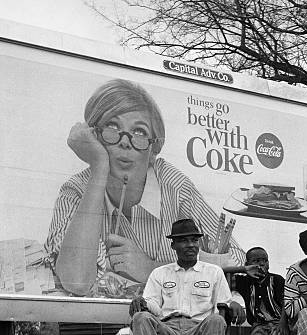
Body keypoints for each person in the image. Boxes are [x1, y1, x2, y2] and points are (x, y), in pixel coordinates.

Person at [45, 79, 244, 298]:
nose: (125, 142)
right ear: (95, 136)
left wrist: (152, 269)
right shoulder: (75, 190)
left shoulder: (175, 187)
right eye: (112, 127)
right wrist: (100, 166)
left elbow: (238, 261)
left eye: (139, 132)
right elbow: (77, 282)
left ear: (154, 148)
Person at [128, 218, 246, 335]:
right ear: (173, 245)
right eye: (184, 240)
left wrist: (234, 303)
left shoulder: (213, 272)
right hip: (168, 328)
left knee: (217, 319)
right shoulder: (160, 273)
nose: (190, 245)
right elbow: (154, 306)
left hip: (198, 328)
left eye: (194, 240)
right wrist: (143, 302)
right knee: (140, 318)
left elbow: (222, 303)